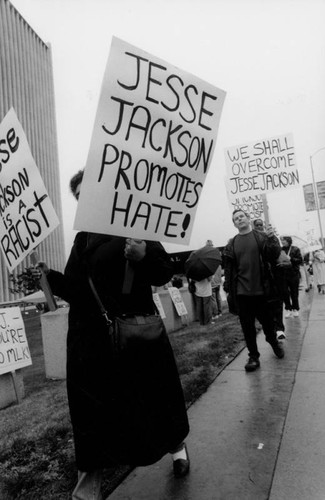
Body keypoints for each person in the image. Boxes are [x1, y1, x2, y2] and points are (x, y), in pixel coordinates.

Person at [34, 170, 190, 499]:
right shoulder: (82, 239)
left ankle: (176, 446)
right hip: (90, 342)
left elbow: (163, 271)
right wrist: (50, 277)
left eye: (86, 192)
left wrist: (143, 255)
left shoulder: (135, 224)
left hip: (132, 334)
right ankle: (86, 491)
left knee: (153, 398)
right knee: (90, 414)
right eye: (77, 196)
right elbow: (77, 289)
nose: (83, 200)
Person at [223, 209, 284, 372]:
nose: (239, 219)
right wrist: (228, 289)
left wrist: (272, 239)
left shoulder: (262, 236)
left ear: (248, 218)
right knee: (247, 328)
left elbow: (274, 255)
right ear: (234, 224)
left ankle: (274, 343)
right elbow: (229, 269)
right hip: (242, 294)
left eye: (241, 216)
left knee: (269, 325)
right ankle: (253, 357)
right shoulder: (231, 243)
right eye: (236, 218)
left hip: (263, 292)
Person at [280, 236, 303, 317]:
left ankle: (295, 308)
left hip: (294, 274)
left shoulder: (295, 249)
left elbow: (300, 260)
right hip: (283, 274)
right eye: (281, 240)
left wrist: (291, 259)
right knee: (285, 293)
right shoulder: (280, 250)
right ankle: (288, 309)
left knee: (294, 292)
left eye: (284, 240)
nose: (282, 242)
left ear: (288, 241)